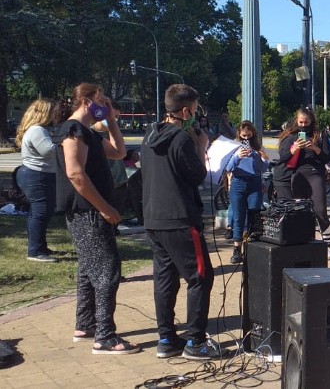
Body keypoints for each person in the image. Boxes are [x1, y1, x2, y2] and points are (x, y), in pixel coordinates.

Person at [54, 83, 139, 354]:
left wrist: (112, 120)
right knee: (106, 271)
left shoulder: (87, 131)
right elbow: (75, 174)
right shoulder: (73, 130)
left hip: (90, 211)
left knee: (88, 268)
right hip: (87, 212)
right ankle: (105, 336)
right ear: (88, 101)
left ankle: (86, 323)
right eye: (103, 100)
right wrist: (104, 208)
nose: (108, 103)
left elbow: (119, 151)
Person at [141, 84, 219, 360]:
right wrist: (200, 145)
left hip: (154, 217)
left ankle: (166, 338)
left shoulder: (149, 134)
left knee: (165, 279)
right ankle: (195, 342)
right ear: (185, 110)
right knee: (200, 277)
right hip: (180, 218)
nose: (197, 116)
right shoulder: (182, 140)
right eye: (195, 111)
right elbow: (198, 176)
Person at [272, 107, 330, 258]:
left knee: (319, 209)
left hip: (314, 173)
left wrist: (314, 148)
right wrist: (294, 149)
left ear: (311, 121)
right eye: (301, 122)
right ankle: (305, 241)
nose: (303, 125)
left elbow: (327, 157)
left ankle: (327, 244)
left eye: (306, 122)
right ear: (296, 121)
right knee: (300, 211)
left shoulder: (319, 135)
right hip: (296, 175)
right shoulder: (290, 135)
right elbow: (282, 157)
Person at [15, 99, 59, 262]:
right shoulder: (37, 130)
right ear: (44, 113)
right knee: (41, 212)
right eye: (52, 111)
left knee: (39, 212)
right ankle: (35, 251)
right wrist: (66, 143)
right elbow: (49, 151)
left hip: (37, 174)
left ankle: (39, 246)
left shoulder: (39, 130)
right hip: (37, 175)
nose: (55, 114)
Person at [225, 121, 269, 264]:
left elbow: (262, 168)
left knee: (254, 214)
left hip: (254, 183)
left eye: (249, 136)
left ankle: (251, 247)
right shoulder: (234, 148)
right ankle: (237, 250)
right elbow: (229, 167)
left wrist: (262, 158)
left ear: (253, 135)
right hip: (238, 183)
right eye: (244, 136)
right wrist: (238, 156)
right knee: (238, 217)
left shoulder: (257, 148)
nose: (246, 140)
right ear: (239, 134)